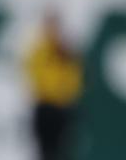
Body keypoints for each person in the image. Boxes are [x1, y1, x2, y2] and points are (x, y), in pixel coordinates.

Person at [24, 9, 83, 160]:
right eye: (50, 25)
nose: (53, 30)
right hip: (44, 106)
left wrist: (64, 92)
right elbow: (34, 75)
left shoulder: (67, 52)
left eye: (55, 25)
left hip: (61, 107)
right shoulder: (39, 51)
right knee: (44, 151)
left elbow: (74, 79)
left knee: (62, 151)